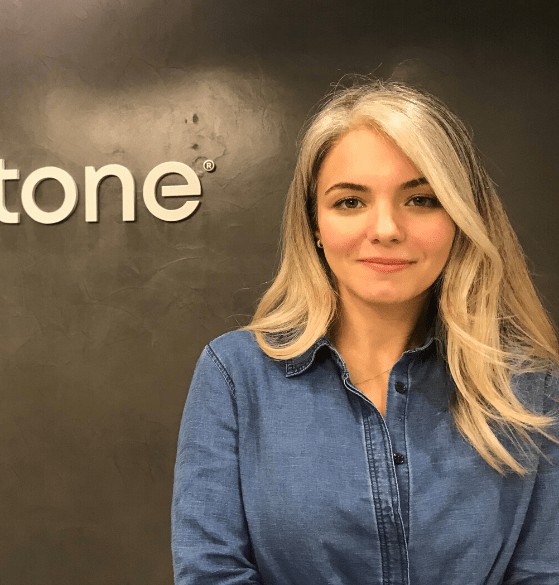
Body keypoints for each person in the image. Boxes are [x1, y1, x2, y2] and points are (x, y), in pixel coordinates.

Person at [171, 81, 559, 585]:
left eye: (421, 199)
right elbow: (212, 572)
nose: (386, 229)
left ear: (461, 217)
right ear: (314, 223)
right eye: (351, 201)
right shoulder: (235, 375)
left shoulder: (530, 385)